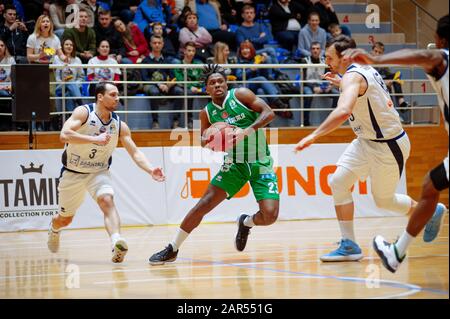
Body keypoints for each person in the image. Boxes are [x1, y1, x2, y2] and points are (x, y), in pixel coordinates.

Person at [294, 35, 417, 262]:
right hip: (366, 141)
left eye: (330, 57)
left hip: (388, 145)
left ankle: (427, 213)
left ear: (344, 58)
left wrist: (313, 135)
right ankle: (349, 245)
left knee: (384, 201)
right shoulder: (360, 70)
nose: (326, 62)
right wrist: (341, 82)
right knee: (338, 181)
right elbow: (361, 88)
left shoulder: (352, 76)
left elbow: (343, 111)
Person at [344, 14, 449, 273]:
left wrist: (376, 59)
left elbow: (425, 57)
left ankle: (396, 253)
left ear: (438, 39)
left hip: (389, 141)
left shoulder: (441, 57)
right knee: (429, 187)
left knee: (426, 188)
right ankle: (396, 252)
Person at [148, 64, 280, 265]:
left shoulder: (241, 95)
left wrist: (244, 131)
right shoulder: (207, 113)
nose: (217, 85)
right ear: (206, 89)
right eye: (212, 83)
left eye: (220, 81)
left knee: (270, 216)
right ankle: (172, 248)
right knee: (204, 204)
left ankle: (245, 222)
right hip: (234, 164)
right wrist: (212, 140)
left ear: (226, 84)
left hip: (260, 161)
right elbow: (202, 140)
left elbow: (269, 113)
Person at [47, 82, 166, 263]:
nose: (117, 98)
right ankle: (54, 229)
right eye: (113, 94)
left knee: (107, 200)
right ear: (100, 97)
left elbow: (134, 151)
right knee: (64, 220)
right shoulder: (83, 113)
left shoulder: (119, 124)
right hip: (73, 173)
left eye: (118, 95)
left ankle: (116, 242)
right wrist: (94, 139)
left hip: (98, 172)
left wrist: (150, 169)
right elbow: (64, 135)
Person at [371, 41, 411, 122]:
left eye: (380, 52)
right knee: (387, 87)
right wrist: (384, 82)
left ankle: (401, 103)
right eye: (375, 51)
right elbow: (369, 79)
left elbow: (390, 74)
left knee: (397, 76)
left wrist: (392, 80)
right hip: (371, 85)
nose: (377, 54)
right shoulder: (367, 62)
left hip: (381, 83)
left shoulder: (382, 63)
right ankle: (393, 114)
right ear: (372, 51)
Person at [53, 38, 84, 112]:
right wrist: (63, 82)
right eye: (66, 44)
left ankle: (70, 116)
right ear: (62, 46)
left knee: (69, 94)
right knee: (69, 82)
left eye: (71, 45)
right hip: (60, 87)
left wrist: (75, 85)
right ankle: (80, 104)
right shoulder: (56, 59)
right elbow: (56, 76)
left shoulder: (77, 60)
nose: (69, 46)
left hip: (74, 87)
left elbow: (81, 77)